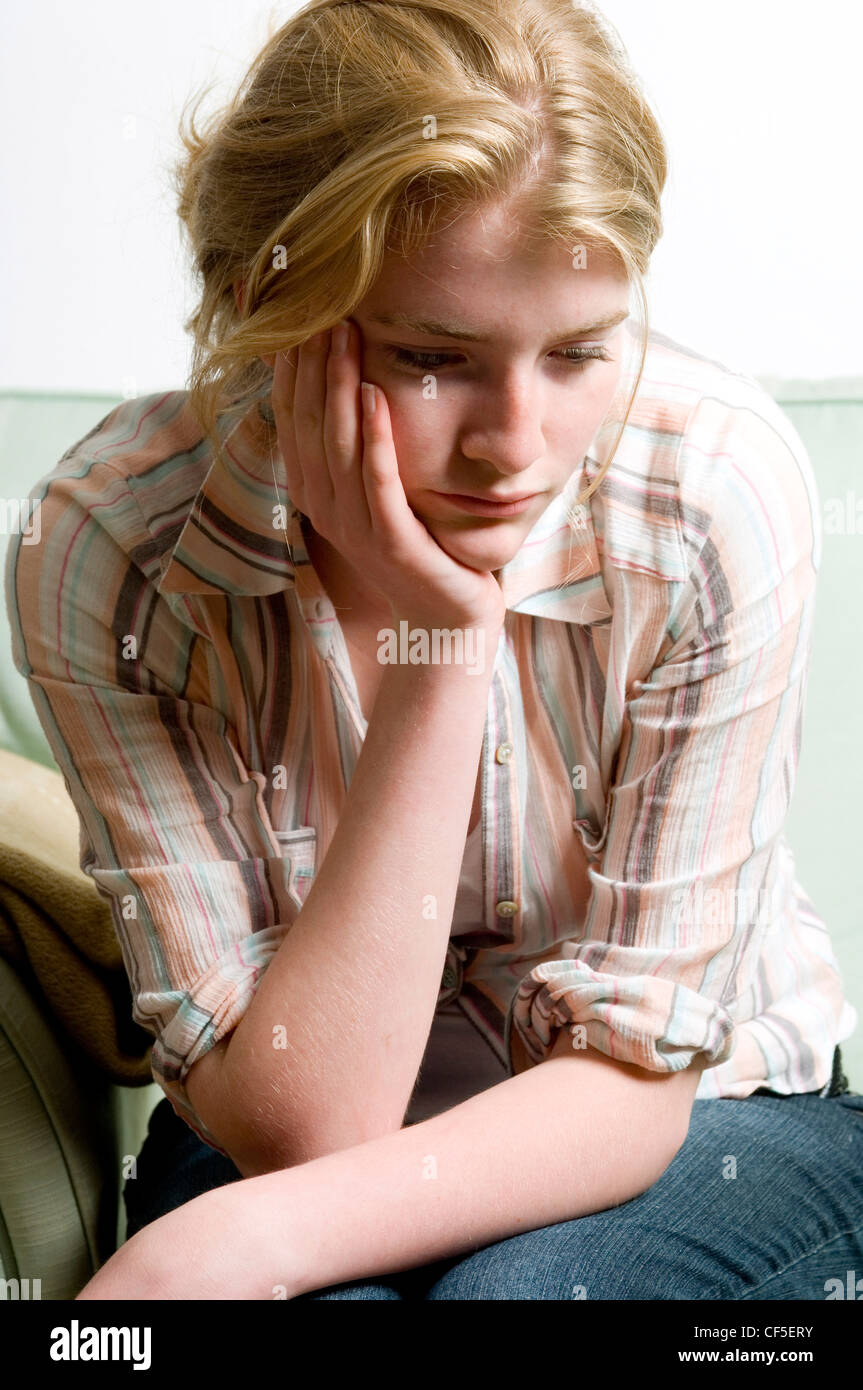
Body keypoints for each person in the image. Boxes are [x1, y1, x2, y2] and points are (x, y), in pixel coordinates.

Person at [7, 0, 861, 1301]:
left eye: (579, 351)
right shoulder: (112, 551)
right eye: (432, 358)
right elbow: (305, 1123)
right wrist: (441, 652)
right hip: (281, 1120)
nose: (516, 441)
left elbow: (638, 1090)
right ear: (266, 306)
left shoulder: (714, 493)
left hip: (709, 1118)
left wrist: (244, 1238)